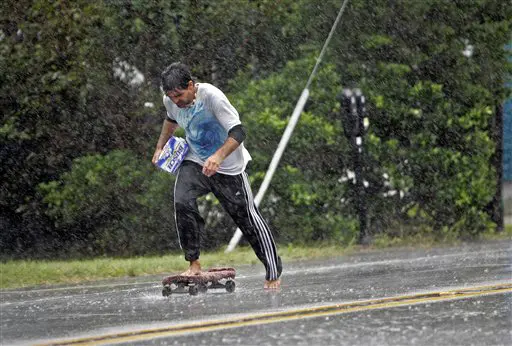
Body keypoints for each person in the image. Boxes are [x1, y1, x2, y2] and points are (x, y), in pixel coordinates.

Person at [152, 62, 282, 289]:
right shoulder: (170, 102)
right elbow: (170, 120)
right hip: (195, 161)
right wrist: (159, 148)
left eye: (179, 95)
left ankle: (273, 271)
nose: (176, 101)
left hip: (228, 167)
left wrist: (219, 156)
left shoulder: (212, 97)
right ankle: (193, 263)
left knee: (247, 218)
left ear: (191, 86)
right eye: (171, 97)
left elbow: (239, 131)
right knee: (182, 202)